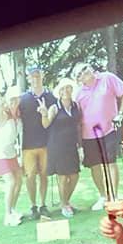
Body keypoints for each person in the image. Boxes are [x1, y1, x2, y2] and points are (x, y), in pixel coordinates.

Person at [72, 62, 123, 211]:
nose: (83, 73)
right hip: (88, 135)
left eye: (84, 69)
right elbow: (77, 116)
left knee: (110, 163)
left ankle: (114, 196)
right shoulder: (78, 94)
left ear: (90, 68)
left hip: (108, 130)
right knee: (95, 166)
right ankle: (103, 196)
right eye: (79, 74)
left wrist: (120, 113)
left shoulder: (107, 78)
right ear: (78, 80)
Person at [18, 65, 56, 220]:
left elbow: (51, 120)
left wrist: (45, 114)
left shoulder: (51, 96)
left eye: (37, 76)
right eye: (32, 76)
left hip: (46, 144)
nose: (35, 79)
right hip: (27, 146)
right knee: (30, 176)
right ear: (28, 78)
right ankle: (33, 206)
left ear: (42, 76)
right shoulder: (22, 98)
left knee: (44, 175)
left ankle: (43, 205)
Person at [43, 78, 82, 217]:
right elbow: (46, 124)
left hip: (72, 146)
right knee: (63, 177)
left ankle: (66, 201)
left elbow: (78, 126)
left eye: (68, 88)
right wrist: (43, 113)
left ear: (72, 90)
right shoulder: (54, 107)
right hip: (57, 146)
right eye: (63, 89)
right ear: (59, 92)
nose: (66, 91)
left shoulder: (76, 106)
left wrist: (80, 146)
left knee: (75, 175)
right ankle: (64, 205)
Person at [0, 85, 24, 226]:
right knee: (10, 182)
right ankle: (7, 215)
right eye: (11, 99)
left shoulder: (18, 116)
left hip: (11, 152)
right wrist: (0, 105)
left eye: (16, 99)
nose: (14, 102)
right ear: (7, 100)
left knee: (19, 181)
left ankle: (13, 209)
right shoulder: (3, 114)